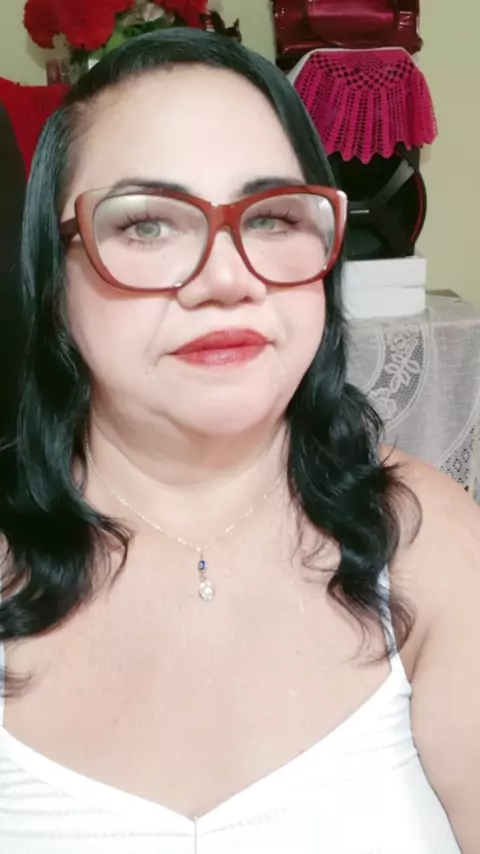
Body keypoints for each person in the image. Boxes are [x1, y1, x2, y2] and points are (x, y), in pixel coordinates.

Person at [0, 28, 478, 854]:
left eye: (274, 217)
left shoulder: (429, 540)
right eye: (147, 225)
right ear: (53, 280)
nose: (228, 279)